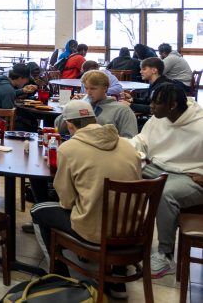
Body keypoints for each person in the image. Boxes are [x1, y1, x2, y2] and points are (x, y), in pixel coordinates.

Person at [31, 100, 141, 299]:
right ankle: (117, 276)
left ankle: (60, 276)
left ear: (70, 125)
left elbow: (66, 200)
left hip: (96, 233)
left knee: (39, 210)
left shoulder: (69, 148)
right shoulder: (127, 146)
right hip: (132, 229)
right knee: (113, 207)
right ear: (94, 119)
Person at [129, 83, 203, 278]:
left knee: (166, 193)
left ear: (173, 105)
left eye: (156, 103)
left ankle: (166, 254)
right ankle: (127, 236)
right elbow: (142, 140)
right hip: (157, 167)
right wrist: (127, 150)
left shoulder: (200, 124)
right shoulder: (158, 118)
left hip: (190, 176)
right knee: (124, 171)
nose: (151, 106)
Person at [57, 70, 137, 138]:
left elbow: (130, 139)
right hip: (80, 150)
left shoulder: (122, 110)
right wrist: (71, 107)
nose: (88, 93)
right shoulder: (80, 106)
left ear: (105, 88)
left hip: (107, 152)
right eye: (86, 88)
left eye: (93, 88)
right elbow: (58, 128)